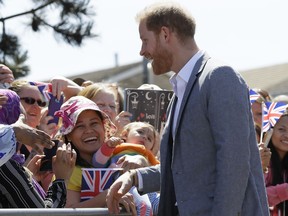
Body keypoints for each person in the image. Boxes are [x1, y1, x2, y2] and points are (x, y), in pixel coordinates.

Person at [106, 2, 269, 215]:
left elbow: (234, 165)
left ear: (165, 34)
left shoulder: (219, 77)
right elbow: (186, 170)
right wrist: (136, 177)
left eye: (145, 40)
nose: (142, 51)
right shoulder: (181, 90)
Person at [54, 95, 136, 214]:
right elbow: (68, 211)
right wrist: (109, 196)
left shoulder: (121, 152)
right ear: (69, 135)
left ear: (104, 127)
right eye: (80, 126)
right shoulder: (68, 168)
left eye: (94, 123)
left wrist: (141, 160)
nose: (89, 130)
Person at [265, 110, 288, 215]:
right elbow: (256, 196)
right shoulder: (262, 160)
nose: (287, 135)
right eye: (282, 129)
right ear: (270, 132)